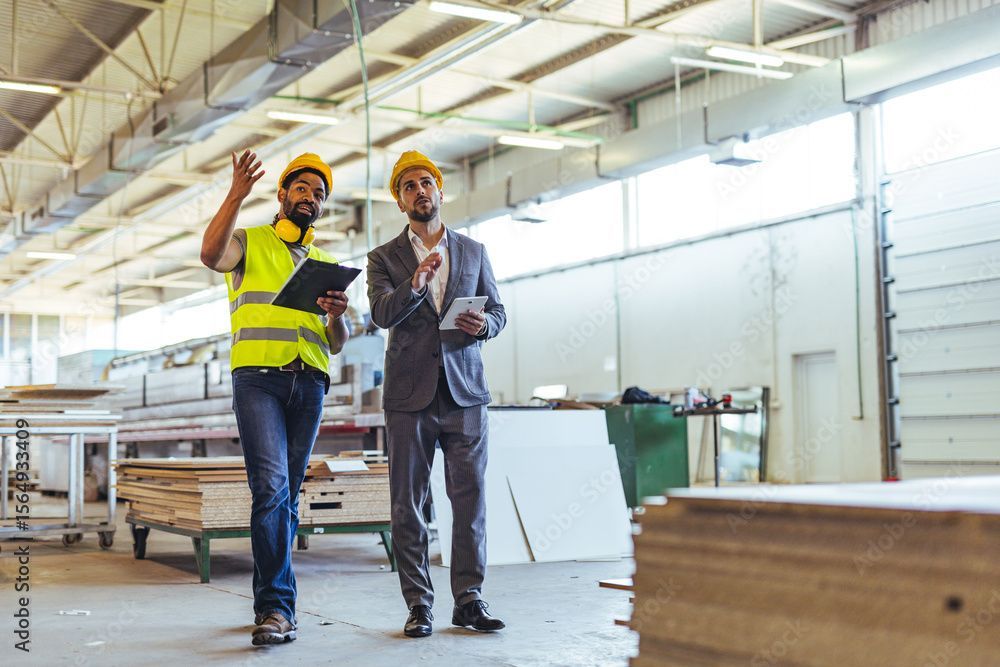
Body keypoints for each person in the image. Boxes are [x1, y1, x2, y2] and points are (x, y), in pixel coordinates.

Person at [200, 150, 350, 646]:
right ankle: (275, 609)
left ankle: (276, 603)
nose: (311, 197)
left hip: (309, 382)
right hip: (259, 380)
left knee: (286, 498)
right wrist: (236, 194)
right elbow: (209, 254)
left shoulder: (327, 263)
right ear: (283, 195)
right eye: (302, 188)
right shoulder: (251, 242)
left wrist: (336, 316)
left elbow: (337, 342)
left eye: (319, 193)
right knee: (270, 489)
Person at [366, 150, 507, 638]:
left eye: (426, 182)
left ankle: (468, 599)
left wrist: (485, 323)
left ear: (440, 191)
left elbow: (500, 311)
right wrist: (415, 282)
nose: (419, 191)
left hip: (465, 391)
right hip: (409, 395)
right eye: (408, 186)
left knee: (469, 500)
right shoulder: (383, 258)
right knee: (408, 503)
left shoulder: (474, 251)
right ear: (400, 200)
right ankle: (419, 605)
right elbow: (381, 314)